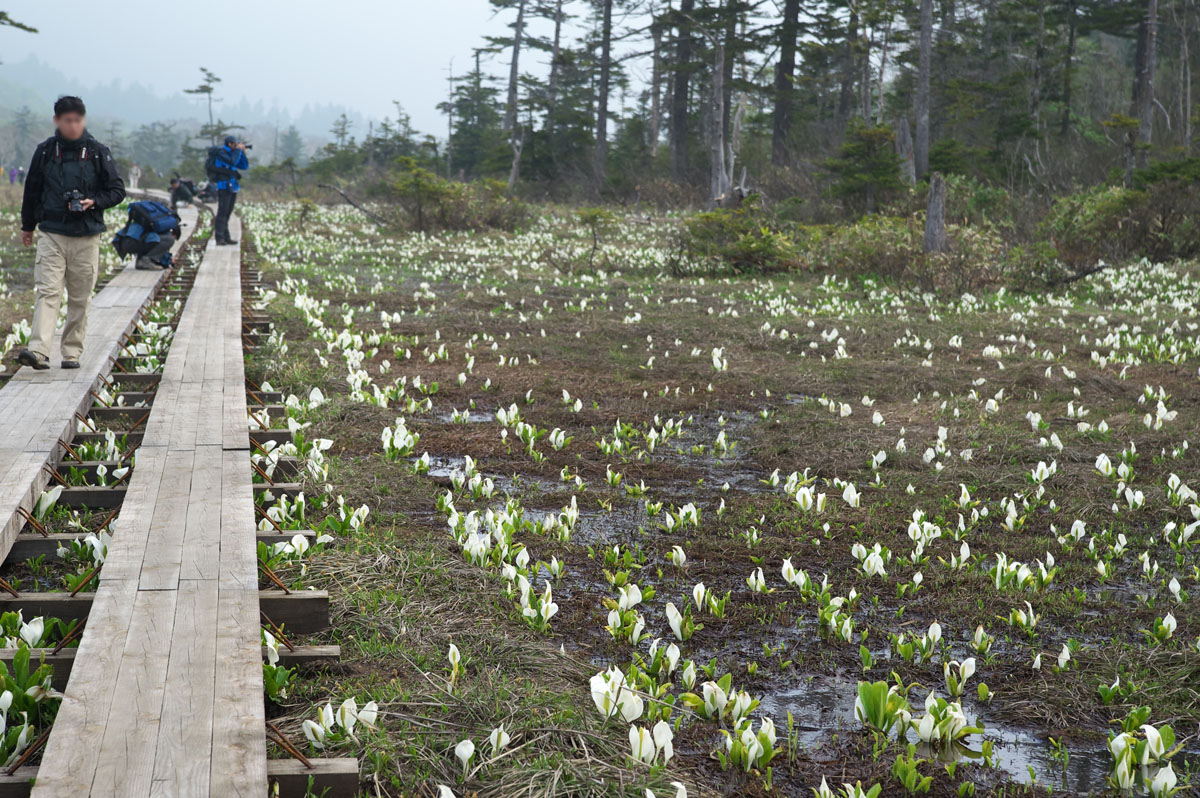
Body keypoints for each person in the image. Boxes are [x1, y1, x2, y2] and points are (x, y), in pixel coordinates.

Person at [17, 95, 125, 371]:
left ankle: (71, 352)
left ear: (83, 120)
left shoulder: (98, 152)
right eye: (68, 121)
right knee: (48, 291)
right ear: (57, 121)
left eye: (78, 120)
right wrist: (27, 226)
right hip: (52, 232)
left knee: (80, 297)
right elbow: (32, 191)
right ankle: (38, 350)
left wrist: (94, 202)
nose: (73, 126)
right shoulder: (44, 152)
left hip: (87, 235)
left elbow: (117, 191)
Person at [112, 199, 180, 271]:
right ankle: (145, 262)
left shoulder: (156, 219)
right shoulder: (165, 225)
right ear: (172, 231)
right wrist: (169, 260)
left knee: (150, 239)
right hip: (132, 242)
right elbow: (160, 248)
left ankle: (140, 262)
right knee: (169, 240)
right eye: (174, 236)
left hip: (122, 241)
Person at [206, 135, 248, 246]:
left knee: (228, 213)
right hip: (224, 186)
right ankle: (219, 238)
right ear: (229, 143)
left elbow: (244, 166)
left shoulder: (233, 153)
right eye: (235, 143)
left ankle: (226, 237)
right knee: (222, 212)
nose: (237, 145)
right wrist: (238, 151)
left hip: (232, 186)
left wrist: (242, 153)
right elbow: (232, 162)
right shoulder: (221, 153)